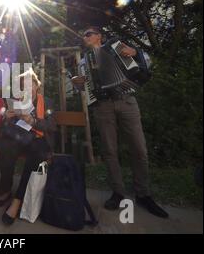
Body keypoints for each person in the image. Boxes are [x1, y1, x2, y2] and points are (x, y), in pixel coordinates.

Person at [71, 25, 168, 219]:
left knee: (139, 148)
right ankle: (118, 192)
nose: (85, 37)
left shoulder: (116, 46)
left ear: (99, 36)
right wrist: (79, 83)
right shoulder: (84, 61)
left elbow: (146, 61)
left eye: (88, 33)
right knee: (109, 151)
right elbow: (87, 88)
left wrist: (136, 51)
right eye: (83, 35)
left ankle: (143, 194)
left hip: (126, 100)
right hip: (103, 106)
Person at [0, 69, 56, 225]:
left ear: (37, 86)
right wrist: (6, 117)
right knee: (6, 146)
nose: (27, 88)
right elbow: (6, 126)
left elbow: (51, 126)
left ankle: (17, 201)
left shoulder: (47, 102)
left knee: (36, 153)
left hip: (39, 139)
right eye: (23, 86)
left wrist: (32, 121)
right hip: (19, 138)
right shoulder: (17, 101)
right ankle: (5, 188)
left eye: (31, 84)